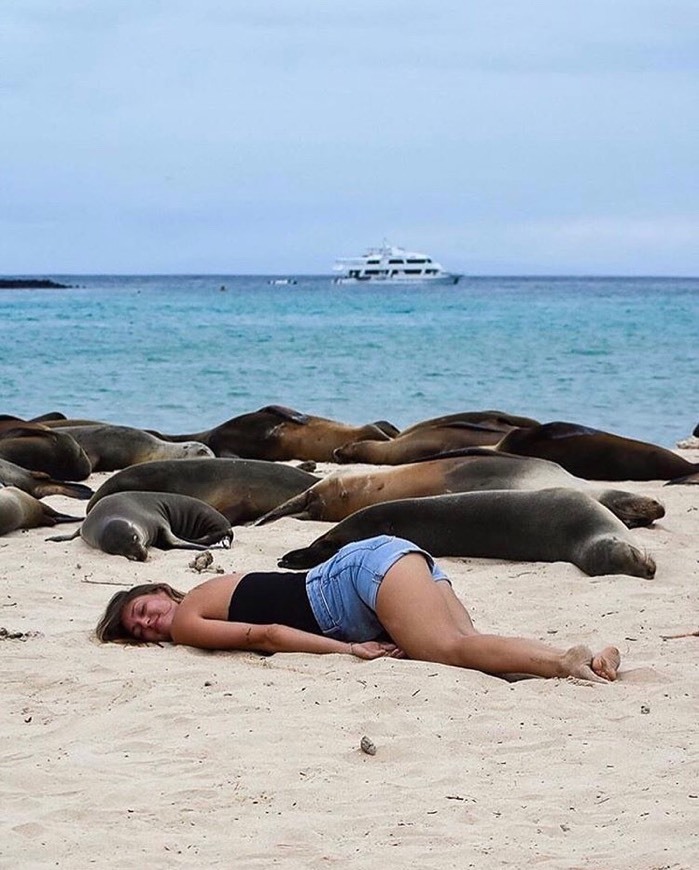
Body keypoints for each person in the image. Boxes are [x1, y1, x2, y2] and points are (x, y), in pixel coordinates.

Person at [96, 535, 620, 682]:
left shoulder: (190, 620)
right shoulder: (207, 601)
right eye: (137, 632)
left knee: (454, 650)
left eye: (141, 609)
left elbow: (267, 636)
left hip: (355, 584)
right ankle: (591, 661)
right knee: (472, 657)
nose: (146, 623)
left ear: (162, 592)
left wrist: (348, 648)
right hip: (382, 563)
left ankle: (563, 661)